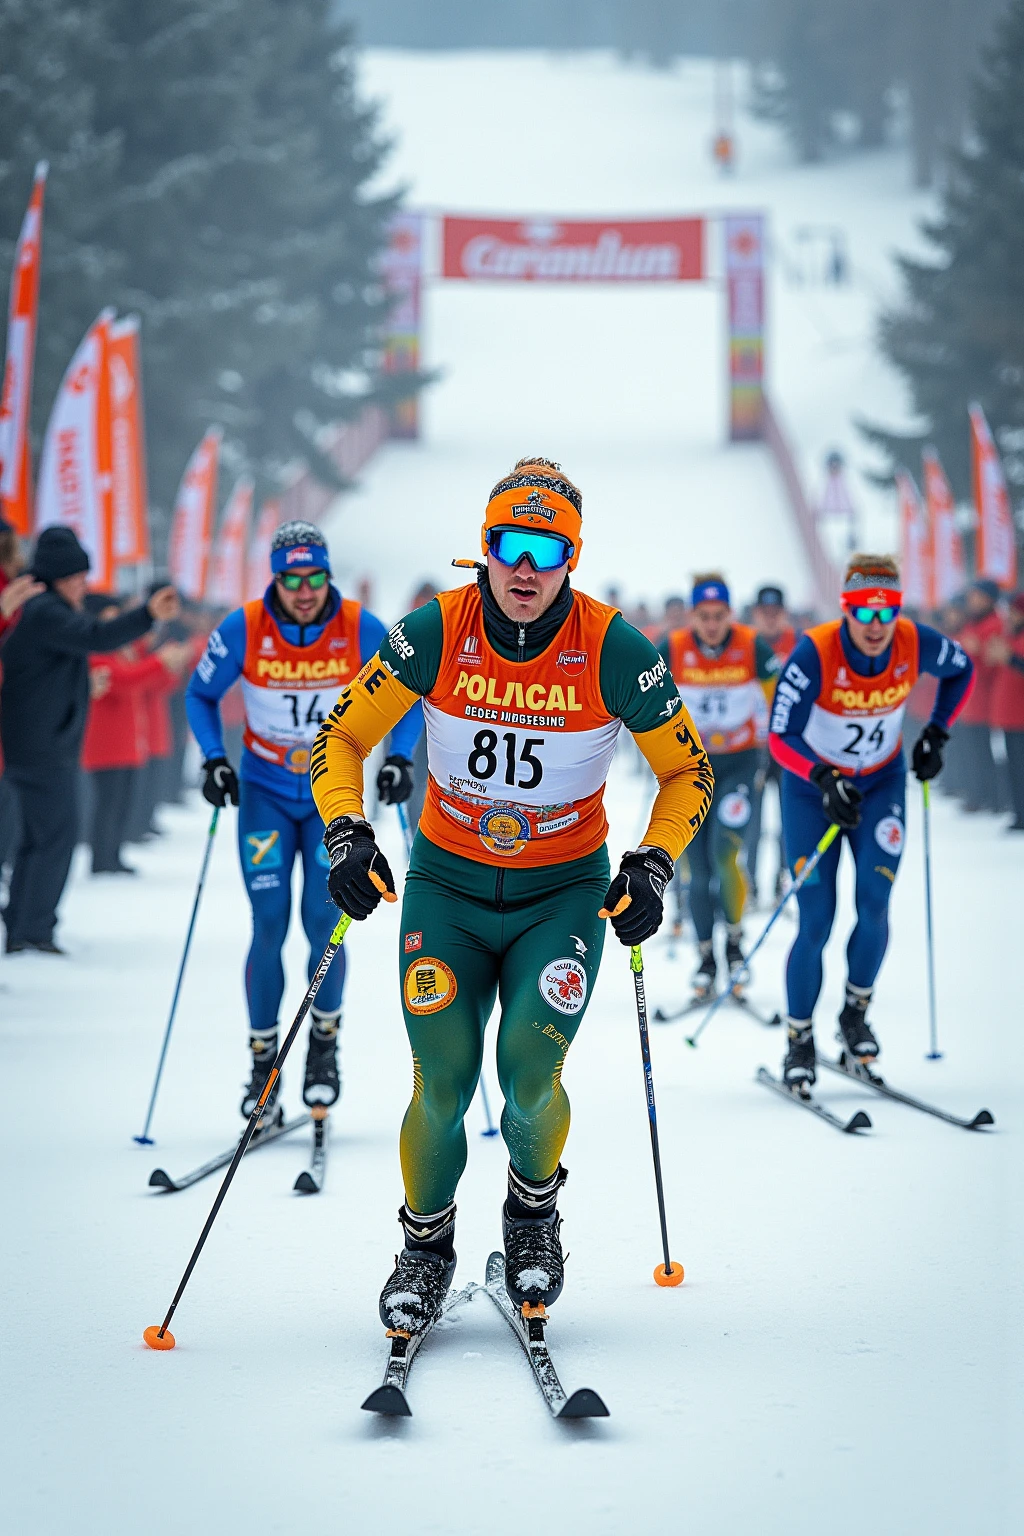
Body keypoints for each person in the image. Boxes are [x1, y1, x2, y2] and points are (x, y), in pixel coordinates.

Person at [310, 456, 713, 1333]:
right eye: (507, 544)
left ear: (572, 556)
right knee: (442, 1084)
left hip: (560, 898)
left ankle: (532, 1216)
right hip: (445, 891)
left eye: (546, 548)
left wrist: (653, 861)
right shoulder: (436, 632)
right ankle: (425, 1243)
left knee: (529, 1079)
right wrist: (347, 831)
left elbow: (689, 770)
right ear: (483, 550)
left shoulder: (615, 648)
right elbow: (340, 737)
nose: (524, 569)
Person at [185, 519, 422, 1120]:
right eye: (293, 579)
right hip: (264, 789)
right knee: (268, 923)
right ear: (276, 579)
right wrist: (214, 760)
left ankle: (322, 1047)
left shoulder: (360, 626)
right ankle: (263, 1064)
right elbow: (200, 693)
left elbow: (409, 693)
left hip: (330, 798)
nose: (307, 589)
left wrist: (397, 757)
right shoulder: (244, 627)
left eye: (317, 577)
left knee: (323, 921)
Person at [768, 554, 973, 1089]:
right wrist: (822, 776)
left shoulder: (915, 640)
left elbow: (962, 670)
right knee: (816, 918)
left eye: (888, 614)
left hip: (882, 785)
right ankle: (799, 1038)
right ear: (847, 610)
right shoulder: (815, 652)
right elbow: (779, 736)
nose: (877, 627)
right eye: (864, 613)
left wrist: (937, 732)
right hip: (814, 793)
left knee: (875, 903)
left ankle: (854, 1014)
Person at [0, 526, 178, 953]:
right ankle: (34, 927)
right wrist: (148, 614)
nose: (85, 585)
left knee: (39, 836)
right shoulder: (46, 611)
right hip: (42, 748)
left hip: (37, 743)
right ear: (60, 577)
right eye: (78, 577)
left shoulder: (41, 611)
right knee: (55, 836)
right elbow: (95, 636)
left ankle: (25, 920)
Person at [659, 574, 780, 998]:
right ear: (693, 615)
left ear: (730, 613)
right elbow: (646, 696)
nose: (711, 624)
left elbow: (777, 697)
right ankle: (706, 956)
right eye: (704, 616)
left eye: (719, 616)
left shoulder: (751, 646)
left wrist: (777, 747)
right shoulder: (673, 648)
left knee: (726, 855)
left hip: (739, 769)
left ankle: (734, 944)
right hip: (691, 770)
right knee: (696, 868)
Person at [745, 584, 799, 903]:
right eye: (764, 613)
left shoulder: (799, 642)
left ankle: (781, 878)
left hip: (789, 742)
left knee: (787, 817)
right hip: (753, 744)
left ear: (784, 613)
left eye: (775, 613)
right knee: (751, 818)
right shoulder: (744, 644)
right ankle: (749, 882)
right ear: (755, 614)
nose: (769, 619)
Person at [956, 579, 1003, 813]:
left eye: (977, 596)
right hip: (970, 701)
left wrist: (978, 651)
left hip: (985, 700)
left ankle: (992, 797)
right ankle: (977, 793)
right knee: (974, 753)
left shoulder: (994, 625)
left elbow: (994, 665)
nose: (972, 601)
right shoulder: (973, 623)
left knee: (986, 753)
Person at [987, 591, 1024, 831]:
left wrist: (1010, 658)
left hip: (1020, 717)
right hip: (1010, 716)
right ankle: (1018, 811)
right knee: (1013, 767)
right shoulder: (1009, 635)